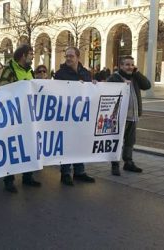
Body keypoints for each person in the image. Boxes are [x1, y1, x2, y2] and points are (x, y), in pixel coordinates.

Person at [0, 44, 42, 193]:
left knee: (29, 145)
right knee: (12, 147)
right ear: (23, 55)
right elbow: (3, 88)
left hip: (28, 115)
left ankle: (27, 176)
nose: (32, 56)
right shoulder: (9, 69)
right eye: (30, 54)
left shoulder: (30, 71)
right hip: (13, 116)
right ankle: (8, 179)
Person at [54, 47, 96, 186]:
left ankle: (79, 171)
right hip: (66, 114)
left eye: (71, 56)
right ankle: (65, 173)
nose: (68, 58)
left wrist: (94, 86)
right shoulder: (60, 74)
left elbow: (90, 91)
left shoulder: (85, 73)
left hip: (82, 114)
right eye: (67, 56)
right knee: (67, 144)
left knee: (80, 142)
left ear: (78, 57)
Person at [107, 55, 151, 176]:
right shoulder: (114, 77)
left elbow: (147, 85)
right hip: (119, 116)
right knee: (117, 140)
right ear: (121, 66)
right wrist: (122, 82)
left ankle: (128, 162)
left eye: (132, 64)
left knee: (130, 141)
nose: (130, 67)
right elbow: (107, 87)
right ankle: (115, 165)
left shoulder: (135, 77)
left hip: (133, 115)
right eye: (127, 64)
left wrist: (137, 73)